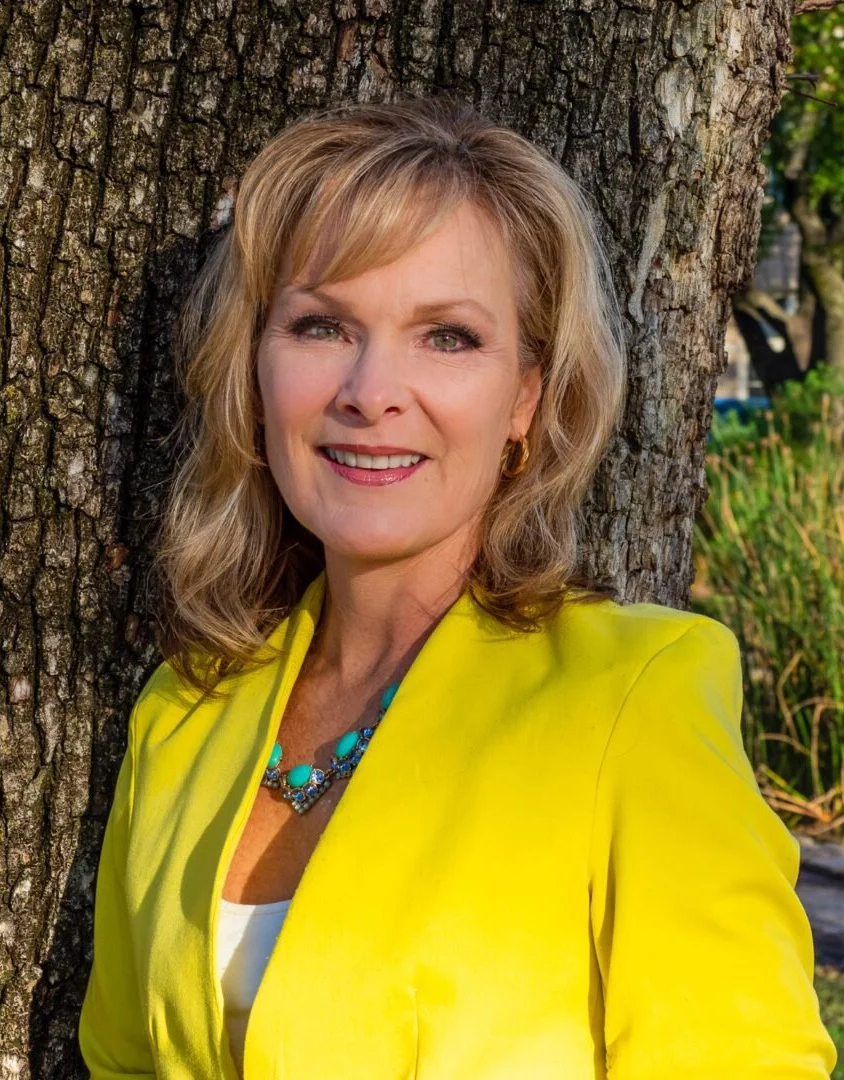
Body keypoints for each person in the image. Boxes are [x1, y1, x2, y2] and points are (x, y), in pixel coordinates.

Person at [78, 95, 838, 1079]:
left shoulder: (635, 701)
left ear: (527, 396)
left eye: (447, 337)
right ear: (256, 369)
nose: (370, 390)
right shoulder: (184, 712)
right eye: (320, 326)